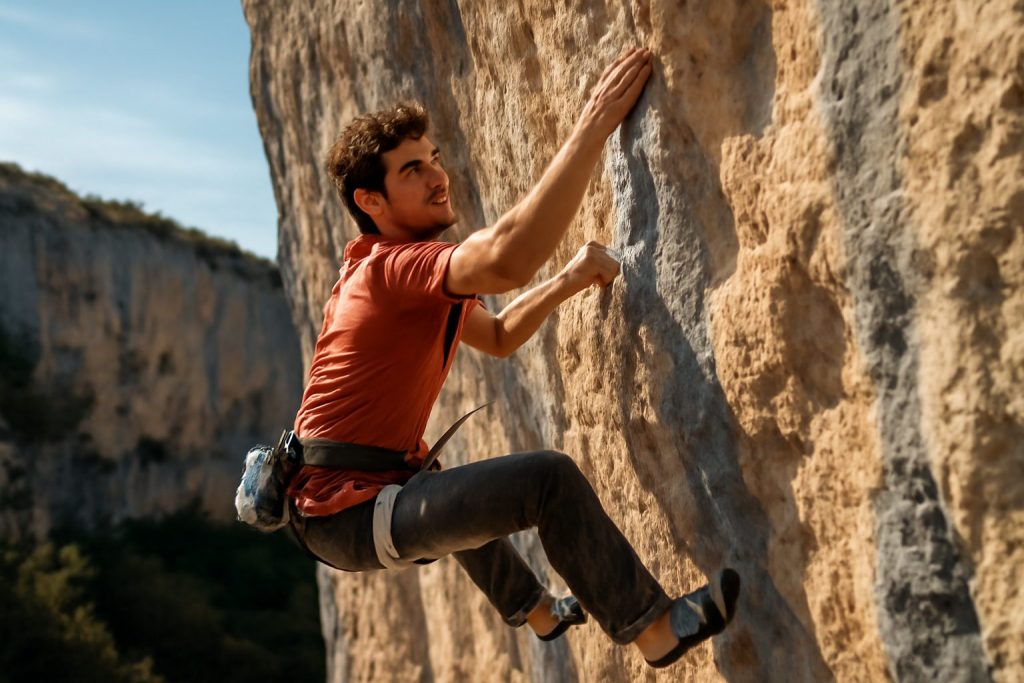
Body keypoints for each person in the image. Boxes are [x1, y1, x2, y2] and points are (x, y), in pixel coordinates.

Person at [285, 47, 740, 669]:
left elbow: (497, 335)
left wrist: (570, 279)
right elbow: (504, 258)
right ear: (372, 202)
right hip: (349, 513)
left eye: (435, 159)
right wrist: (593, 125)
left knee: (436, 480)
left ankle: (539, 612)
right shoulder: (392, 268)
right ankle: (651, 626)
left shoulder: (389, 280)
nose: (437, 176)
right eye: (412, 170)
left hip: (351, 506)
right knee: (544, 481)